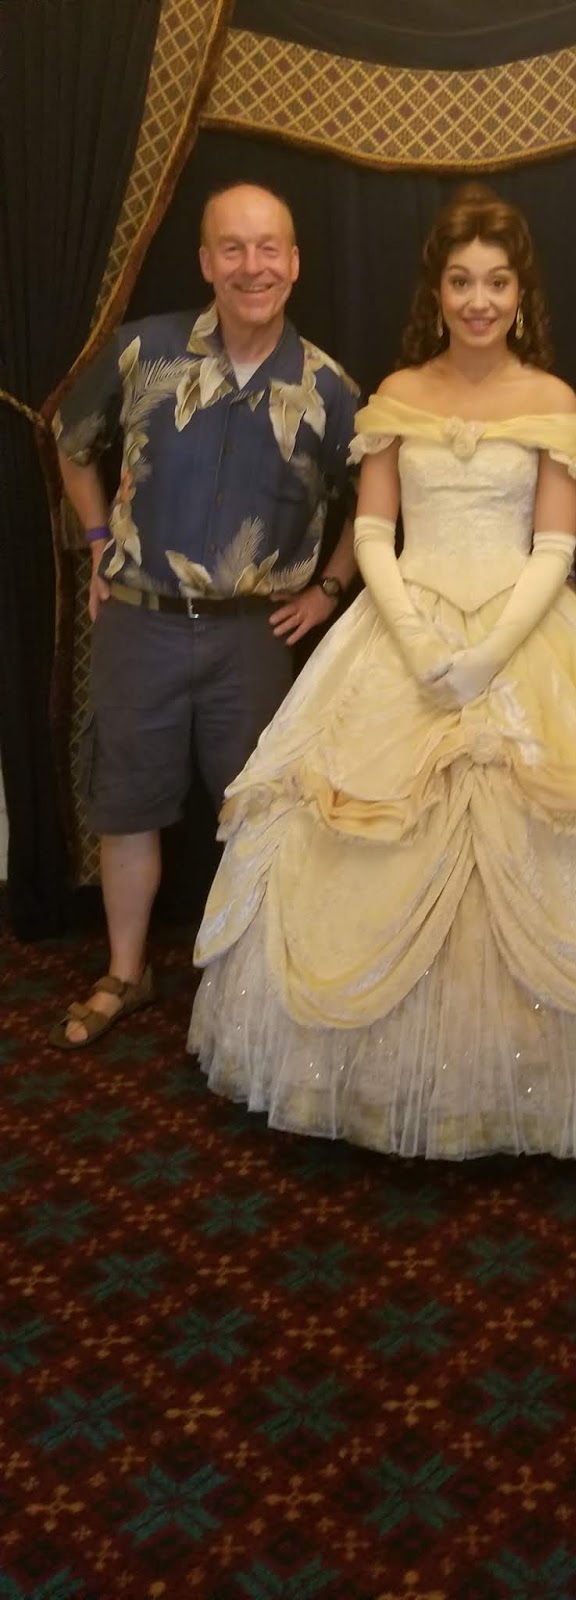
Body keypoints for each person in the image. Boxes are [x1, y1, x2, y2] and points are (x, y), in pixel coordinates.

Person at [189, 182, 576, 1160]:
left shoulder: (550, 400)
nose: (478, 299)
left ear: (519, 293)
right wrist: (418, 642)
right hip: (403, 628)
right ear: (439, 290)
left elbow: (555, 548)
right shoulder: (398, 392)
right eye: (461, 280)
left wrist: (489, 654)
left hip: (523, 633)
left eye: (496, 281)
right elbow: (371, 531)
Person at [49, 183, 359, 1048]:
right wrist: (98, 540)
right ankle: (125, 972)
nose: (251, 266)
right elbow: (71, 441)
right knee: (127, 804)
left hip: (252, 636)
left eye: (268, 248)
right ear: (205, 261)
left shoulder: (330, 388)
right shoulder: (143, 350)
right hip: (139, 622)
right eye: (233, 248)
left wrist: (329, 589)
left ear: (294, 264)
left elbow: (376, 500)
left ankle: (252, 988)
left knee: (256, 813)